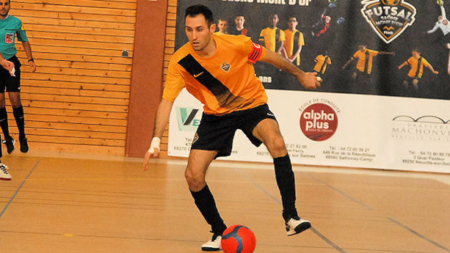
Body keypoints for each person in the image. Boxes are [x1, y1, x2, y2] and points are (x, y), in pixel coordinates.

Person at [143, 5, 320, 252]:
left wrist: (301, 75)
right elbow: (167, 100)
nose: (194, 36)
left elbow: (272, 56)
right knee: (193, 176)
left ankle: (291, 217)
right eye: (189, 30)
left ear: (212, 29)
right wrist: (155, 140)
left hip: (251, 105)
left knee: (277, 142)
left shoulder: (237, 44)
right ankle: (218, 231)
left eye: (200, 29)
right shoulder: (181, 61)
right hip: (216, 116)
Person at [0, 0, 36, 154]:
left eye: (6, 4)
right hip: (0, 64)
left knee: (15, 101)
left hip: (11, 64)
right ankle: (7, 137)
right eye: (0, 3)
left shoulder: (16, 22)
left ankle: (22, 136)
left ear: (10, 5)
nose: (3, 6)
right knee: (0, 102)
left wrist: (31, 60)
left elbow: (25, 41)